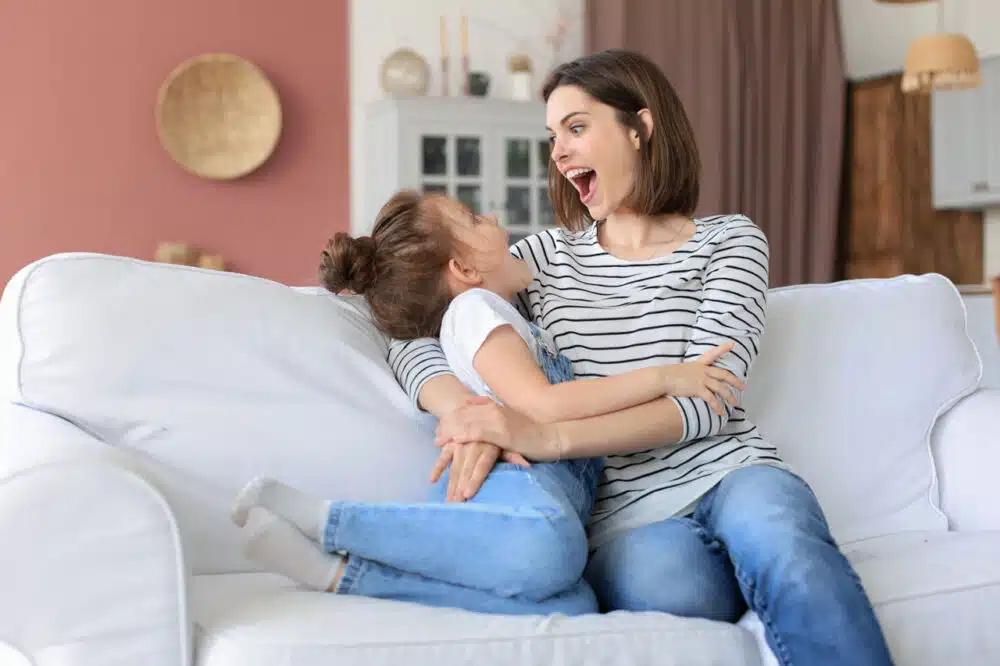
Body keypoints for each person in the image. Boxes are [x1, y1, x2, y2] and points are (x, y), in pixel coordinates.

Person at [387, 49, 896, 665]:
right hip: (627, 517)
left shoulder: (730, 240)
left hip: (734, 472)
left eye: (576, 127)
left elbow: (706, 402)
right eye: (553, 137)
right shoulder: (544, 259)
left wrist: (546, 434)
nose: (558, 152)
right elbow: (412, 327)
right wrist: (465, 413)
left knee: (784, 541)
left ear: (640, 127)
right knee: (671, 590)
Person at [229, 189, 743, 617]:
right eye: (475, 219)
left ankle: (341, 574)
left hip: (541, 501)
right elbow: (542, 405)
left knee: (576, 605)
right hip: (512, 493)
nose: (494, 218)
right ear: (464, 267)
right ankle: (329, 519)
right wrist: (664, 376)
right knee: (553, 546)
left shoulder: (500, 312)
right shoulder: (475, 311)